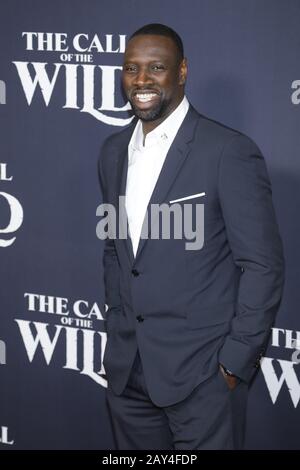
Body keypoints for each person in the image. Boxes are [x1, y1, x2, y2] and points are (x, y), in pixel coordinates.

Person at [98, 23, 285, 450]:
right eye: (131, 68)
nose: (141, 80)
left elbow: (262, 265)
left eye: (156, 68)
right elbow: (115, 248)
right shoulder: (111, 151)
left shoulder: (226, 150)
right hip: (127, 373)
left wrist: (233, 363)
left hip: (202, 377)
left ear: (181, 72)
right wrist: (116, 331)